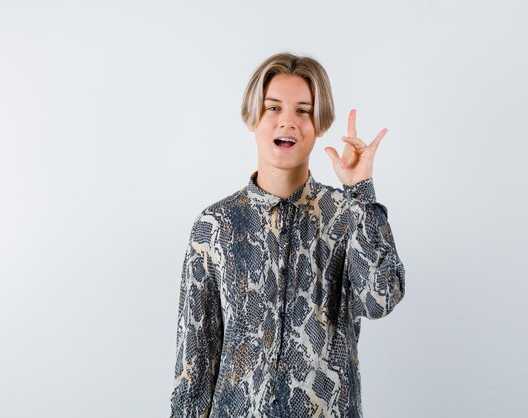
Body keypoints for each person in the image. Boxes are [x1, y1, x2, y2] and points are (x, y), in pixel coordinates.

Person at [169, 52, 406, 418]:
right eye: (273, 108)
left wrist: (361, 191)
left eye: (303, 111)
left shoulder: (345, 216)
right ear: (254, 118)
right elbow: (194, 360)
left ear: (319, 123)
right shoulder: (214, 225)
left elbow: (380, 299)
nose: (287, 122)